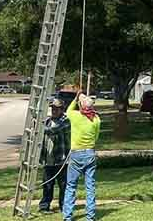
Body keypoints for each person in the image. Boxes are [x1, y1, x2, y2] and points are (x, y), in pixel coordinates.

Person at [62, 92, 101, 221]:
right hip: (90, 152)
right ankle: (90, 217)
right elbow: (96, 137)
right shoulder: (96, 118)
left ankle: (68, 216)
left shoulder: (75, 116)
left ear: (81, 105)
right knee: (90, 186)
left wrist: (76, 98)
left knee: (71, 186)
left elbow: (68, 110)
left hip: (76, 154)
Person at [38, 98, 71, 214]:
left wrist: (38, 126)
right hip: (48, 160)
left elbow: (52, 131)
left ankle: (64, 206)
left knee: (63, 185)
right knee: (47, 184)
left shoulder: (65, 121)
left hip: (61, 160)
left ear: (62, 109)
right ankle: (44, 207)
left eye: (56, 108)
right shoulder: (47, 121)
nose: (53, 110)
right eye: (52, 108)